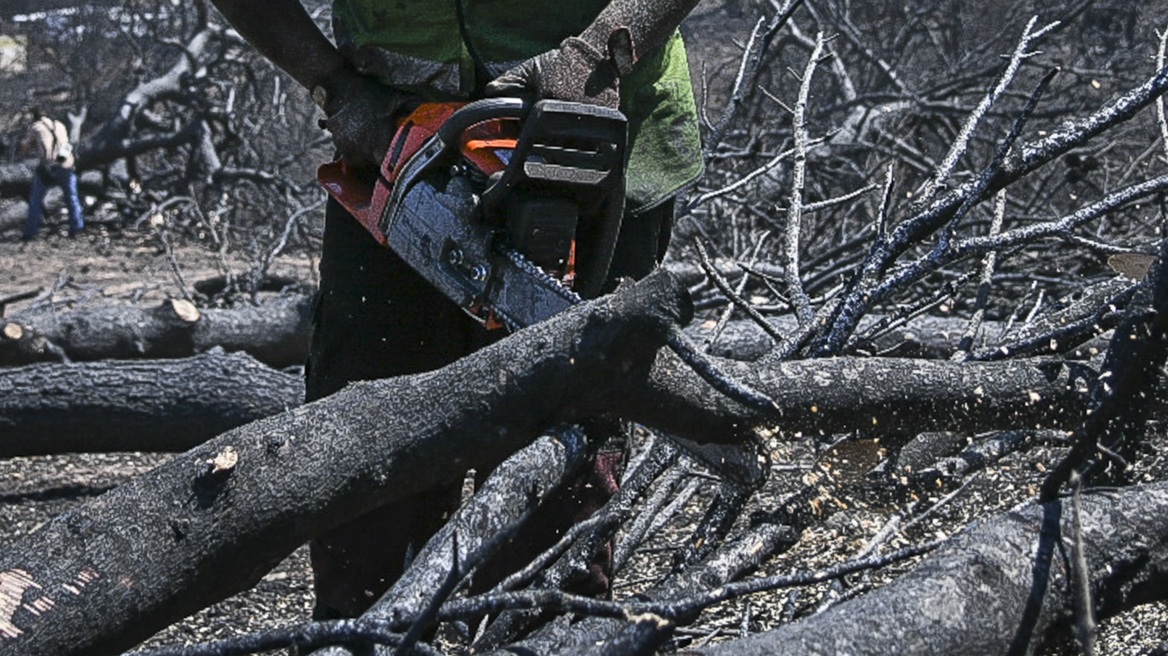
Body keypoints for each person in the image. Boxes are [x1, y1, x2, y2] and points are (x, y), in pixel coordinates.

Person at [209, 0, 704, 619]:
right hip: (394, 138)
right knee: (368, 450)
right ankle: (368, 628)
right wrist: (333, 85)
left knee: (560, 448)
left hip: (592, 126)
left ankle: (536, 627)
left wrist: (600, 48)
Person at [21, 110, 83, 240]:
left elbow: (24, 147)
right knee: (72, 198)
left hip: (47, 167)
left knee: (35, 200)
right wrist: (60, 161)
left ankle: (30, 232)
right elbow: (67, 145)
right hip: (66, 164)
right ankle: (76, 229)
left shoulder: (36, 127)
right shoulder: (60, 125)